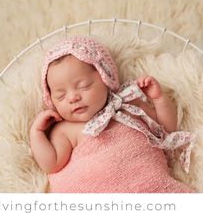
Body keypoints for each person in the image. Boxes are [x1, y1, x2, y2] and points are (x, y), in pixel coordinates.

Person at [30, 35, 196, 193]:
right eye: (61, 95)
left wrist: (159, 99)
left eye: (84, 86)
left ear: (106, 78)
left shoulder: (129, 104)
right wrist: (36, 134)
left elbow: (166, 128)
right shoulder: (66, 130)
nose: (73, 97)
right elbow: (52, 164)